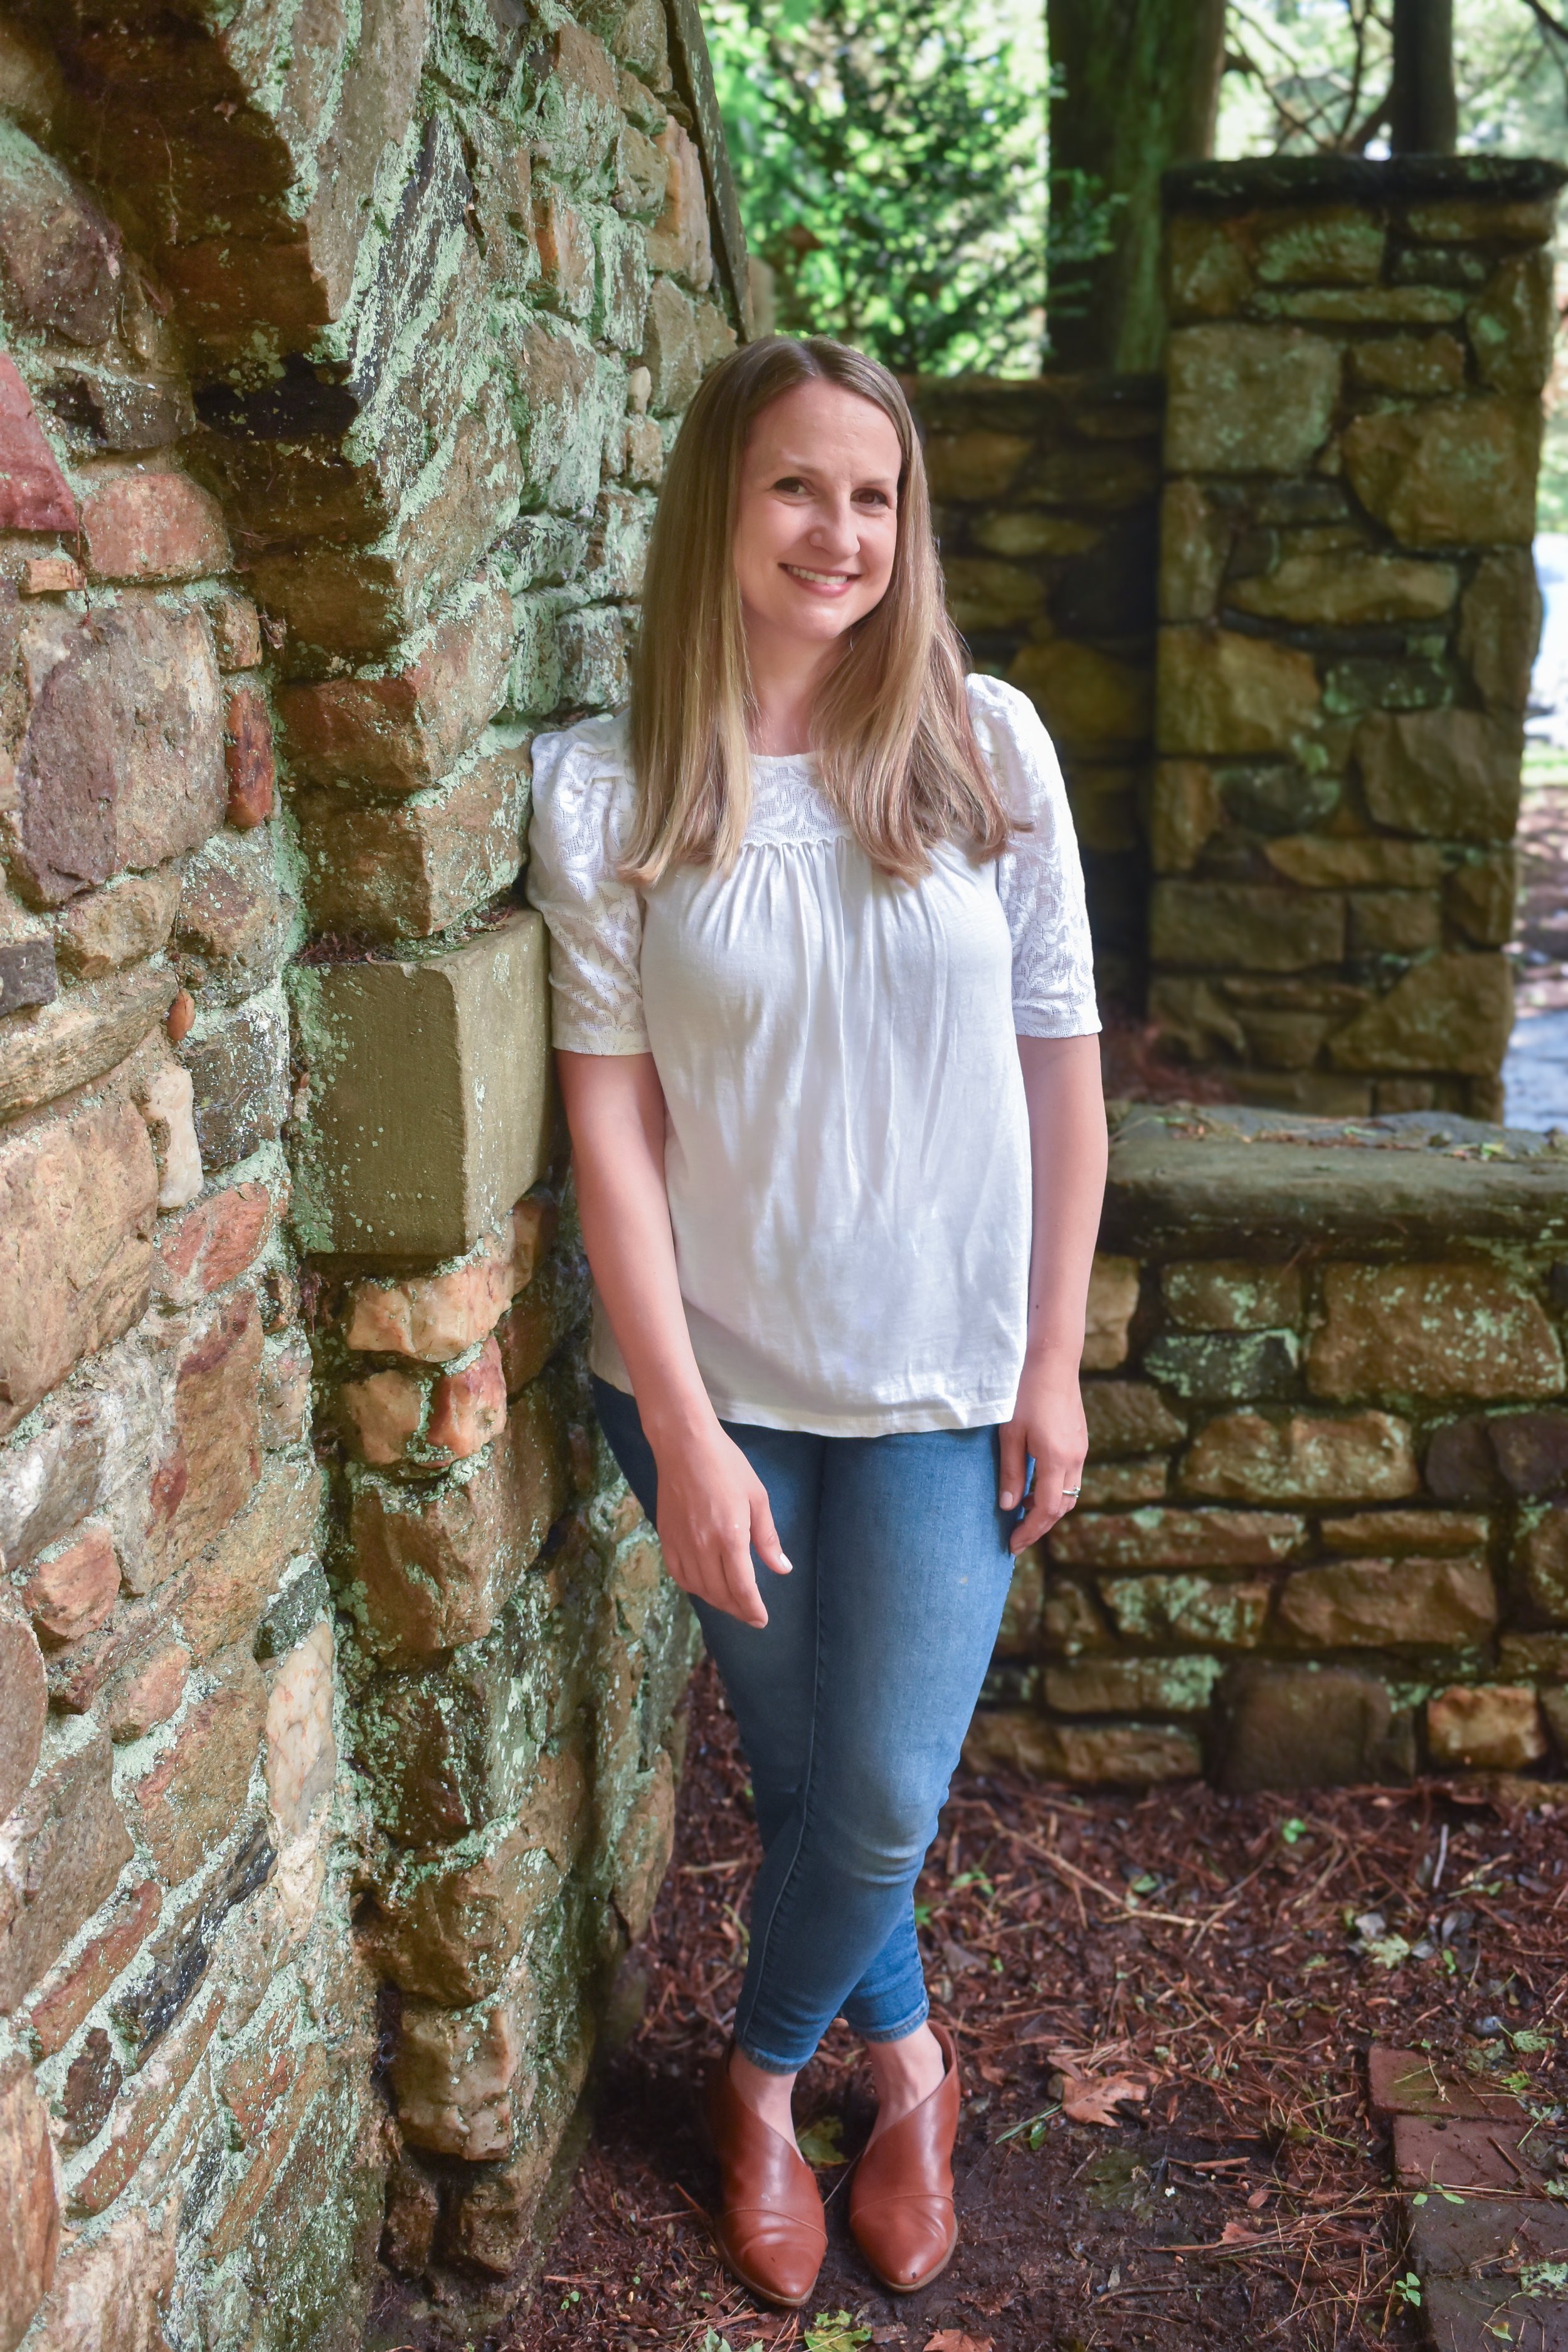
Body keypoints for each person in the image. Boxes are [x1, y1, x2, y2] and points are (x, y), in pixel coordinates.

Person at [527, 334, 1106, 2310]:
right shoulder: (608, 785)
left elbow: (1062, 1080)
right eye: (796, 487)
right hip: (711, 1382)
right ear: (721, 504)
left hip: (947, 1374)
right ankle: (913, 2077)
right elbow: (607, 1134)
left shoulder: (983, 745)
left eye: (872, 496)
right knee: (803, 1783)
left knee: (876, 1788)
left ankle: (764, 2090)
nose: (839, 533)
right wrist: (680, 1432)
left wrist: (1053, 1360)